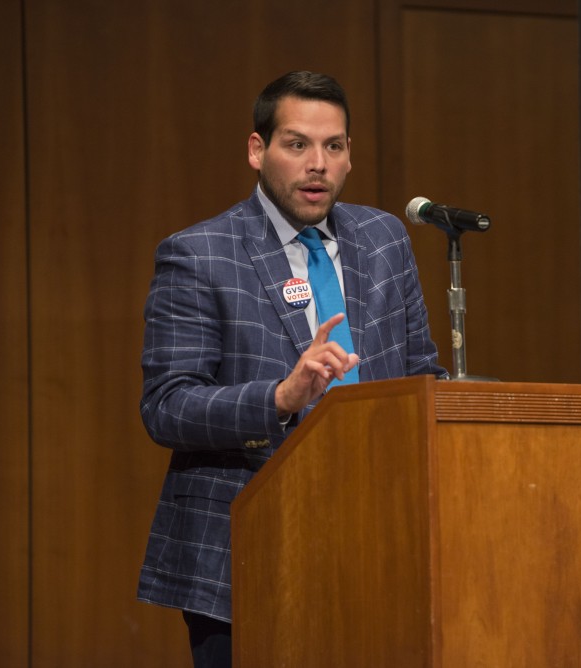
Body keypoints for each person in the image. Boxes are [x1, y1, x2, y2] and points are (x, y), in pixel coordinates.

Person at [137, 70, 446, 667]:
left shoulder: (385, 240)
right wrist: (281, 396)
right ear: (258, 150)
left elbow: (421, 376)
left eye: (334, 146)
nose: (318, 164)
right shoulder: (199, 253)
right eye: (297, 144)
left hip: (376, 538)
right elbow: (167, 407)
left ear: (350, 155)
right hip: (247, 552)